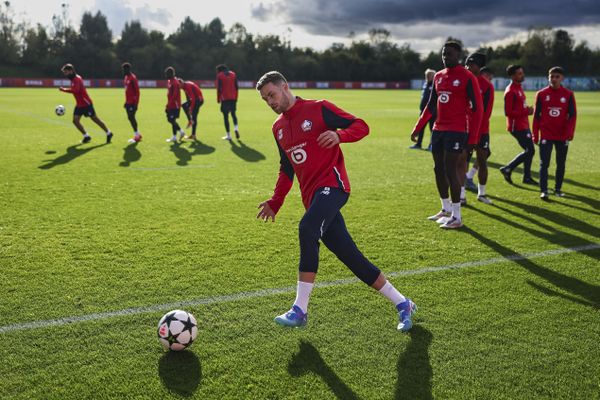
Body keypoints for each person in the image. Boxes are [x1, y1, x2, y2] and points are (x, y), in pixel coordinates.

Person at [256, 71, 416, 331]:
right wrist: (275, 202)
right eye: (265, 100)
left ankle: (300, 310)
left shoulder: (319, 109)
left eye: (272, 95)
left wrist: (340, 136)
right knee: (352, 258)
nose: (270, 102)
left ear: (285, 86)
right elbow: (286, 169)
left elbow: (361, 126)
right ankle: (402, 303)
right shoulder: (278, 128)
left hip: (333, 186)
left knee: (307, 229)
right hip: (314, 199)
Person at [410, 41, 483, 229]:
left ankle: (457, 216)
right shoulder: (439, 77)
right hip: (438, 130)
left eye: (449, 54)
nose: (445, 57)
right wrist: (418, 128)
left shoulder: (467, 77)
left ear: (458, 55)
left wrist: (473, 138)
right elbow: (431, 105)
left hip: (457, 130)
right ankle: (445, 208)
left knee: (451, 170)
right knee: (438, 169)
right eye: (444, 54)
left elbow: (478, 110)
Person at [532, 66, 577, 199]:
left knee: (561, 163)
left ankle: (558, 189)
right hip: (546, 134)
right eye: (552, 76)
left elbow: (572, 115)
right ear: (548, 77)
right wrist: (535, 133)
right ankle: (544, 190)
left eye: (557, 77)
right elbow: (536, 116)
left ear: (562, 78)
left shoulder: (568, 94)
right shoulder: (541, 94)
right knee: (544, 163)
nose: (554, 79)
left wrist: (570, 132)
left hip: (562, 135)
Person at [464, 54, 494, 204]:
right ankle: (461, 195)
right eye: (467, 64)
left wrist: (475, 135)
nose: (468, 67)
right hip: (464, 129)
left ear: (479, 66)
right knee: (462, 162)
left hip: (481, 130)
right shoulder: (463, 81)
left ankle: (481, 193)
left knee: (482, 161)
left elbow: (486, 113)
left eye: (472, 64)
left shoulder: (487, 86)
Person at [500, 65, 537, 185]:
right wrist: (527, 111)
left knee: (529, 150)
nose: (522, 75)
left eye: (522, 72)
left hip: (523, 124)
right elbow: (508, 112)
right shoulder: (510, 91)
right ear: (513, 76)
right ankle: (508, 168)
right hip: (517, 127)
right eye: (519, 73)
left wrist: (527, 109)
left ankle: (526, 177)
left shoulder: (519, 88)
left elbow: (519, 107)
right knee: (530, 150)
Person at [58, 64, 113, 144]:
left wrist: (64, 89)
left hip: (86, 104)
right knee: (75, 120)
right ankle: (86, 136)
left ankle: (109, 133)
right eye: (64, 73)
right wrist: (64, 89)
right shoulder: (73, 79)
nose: (65, 74)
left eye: (66, 72)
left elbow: (75, 90)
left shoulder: (77, 79)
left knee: (95, 119)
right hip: (79, 104)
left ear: (71, 71)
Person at [410, 69, 436, 150]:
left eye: (429, 75)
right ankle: (418, 144)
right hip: (423, 111)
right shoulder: (425, 84)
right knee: (420, 128)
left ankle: (431, 145)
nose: (427, 77)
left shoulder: (435, 85)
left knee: (433, 129)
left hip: (433, 111)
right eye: (426, 75)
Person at [216, 64, 239, 140]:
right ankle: (236, 128)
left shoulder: (220, 76)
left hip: (225, 98)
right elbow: (236, 87)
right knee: (233, 114)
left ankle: (228, 135)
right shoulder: (233, 74)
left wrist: (218, 99)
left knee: (226, 117)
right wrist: (236, 97)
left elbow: (219, 88)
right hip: (233, 98)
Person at [164, 66, 185, 143]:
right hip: (171, 104)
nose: (166, 75)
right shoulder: (170, 81)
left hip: (175, 105)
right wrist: (168, 104)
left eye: (167, 74)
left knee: (171, 119)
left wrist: (169, 105)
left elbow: (175, 95)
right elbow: (170, 94)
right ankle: (175, 136)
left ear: (171, 74)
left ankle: (180, 132)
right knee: (171, 119)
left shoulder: (175, 82)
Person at [122, 62, 141, 143]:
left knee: (131, 117)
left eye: (124, 69)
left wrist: (136, 104)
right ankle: (138, 134)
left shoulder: (133, 78)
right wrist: (126, 102)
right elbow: (127, 91)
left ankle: (137, 135)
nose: (123, 71)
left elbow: (137, 92)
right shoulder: (126, 77)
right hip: (128, 102)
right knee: (130, 118)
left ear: (128, 69)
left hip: (133, 102)